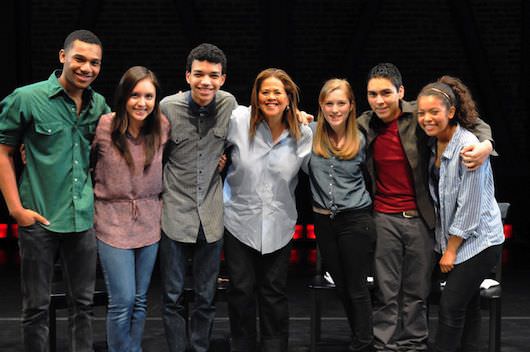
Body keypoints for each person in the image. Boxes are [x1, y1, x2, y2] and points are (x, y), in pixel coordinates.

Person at [356, 63, 494, 351]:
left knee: (417, 290)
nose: (379, 100)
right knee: (386, 289)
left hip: (420, 218)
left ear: (400, 92)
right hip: (384, 216)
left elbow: (471, 122)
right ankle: (386, 345)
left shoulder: (419, 113)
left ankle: (414, 343)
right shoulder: (365, 123)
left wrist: (486, 144)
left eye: (385, 93)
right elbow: (332, 123)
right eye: (372, 94)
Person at [0, 29, 109, 351]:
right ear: (63, 57)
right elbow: (4, 152)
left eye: (94, 62)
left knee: (83, 305)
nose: (86, 68)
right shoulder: (26, 98)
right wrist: (16, 210)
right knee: (35, 308)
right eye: (79, 59)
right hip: (40, 218)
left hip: (82, 220)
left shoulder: (98, 105)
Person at [223, 68, 312, 352]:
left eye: (278, 92)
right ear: (256, 96)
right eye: (265, 92)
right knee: (241, 291)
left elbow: (323, 167)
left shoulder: (303, 133)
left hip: (279, 224)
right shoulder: (238, 119)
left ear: (288, 97)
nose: (271, 97)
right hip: (239, 221)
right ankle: (243, 345)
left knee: (274, 293)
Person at [416, 76, 504, 352]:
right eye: (422, 113)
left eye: (434, 112)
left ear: (451, 112)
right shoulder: (433, 144)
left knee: (451, 305)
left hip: (479, 241)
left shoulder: (468, 147)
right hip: (456, 239)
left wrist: (450, 250)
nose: (427, 118)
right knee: (467, 307)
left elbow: (470, 206)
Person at [159, 43, 237, 352]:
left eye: (213, 76)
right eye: (199, 74)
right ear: (188, 75)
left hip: (211, 214)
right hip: (175, 213)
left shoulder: (229, 105)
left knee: (206, 296)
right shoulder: (167, 107)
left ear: (222, 79)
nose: (206, 81)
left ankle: (200, 348)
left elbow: (255, 125)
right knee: (172, 295)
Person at [92, 66, 170, 352]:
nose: (142, 102)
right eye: (135, 95)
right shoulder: (104, 126)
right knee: (122, 300)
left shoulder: (162, 126)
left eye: (148, 96)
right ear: (124, 96)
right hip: (112, 220)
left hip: (150, 220)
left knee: (139, 299)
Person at [304, 78, 376, 351]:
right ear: (321, 105)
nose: (335, 109)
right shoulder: (309, 133)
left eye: (341, 103)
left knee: (356, 286)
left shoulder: (361, 137)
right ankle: (360, 336)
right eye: (329, 103)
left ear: (350, 106)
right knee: (342, 287)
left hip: (355, 219)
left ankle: (363, 343)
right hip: (324, 221)